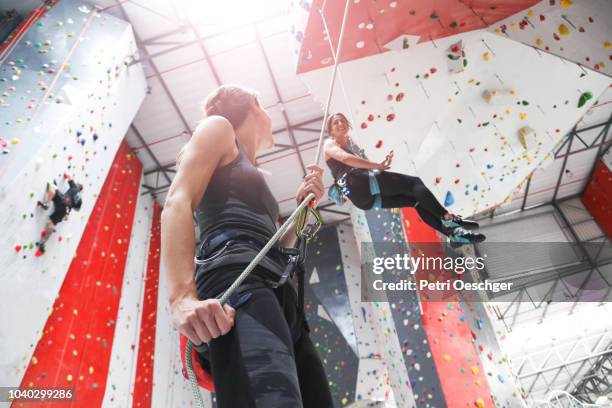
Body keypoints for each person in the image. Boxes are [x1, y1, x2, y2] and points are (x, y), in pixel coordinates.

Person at [161, 84, 332, 407]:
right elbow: (178, 200)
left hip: (280, 297)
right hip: (241, 287)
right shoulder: (219, 129)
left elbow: (273, 248)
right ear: (254, 104)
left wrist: (301, 212)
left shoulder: (253, 171)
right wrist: (182, 298)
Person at [323, 113, 485, 246]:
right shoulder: (329, 144)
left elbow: (363, 166)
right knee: (414, 184)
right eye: (335, 122)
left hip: (362, 197)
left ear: (348, 124)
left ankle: (453, 234)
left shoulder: (352, 143)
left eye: (343, 120)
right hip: (356, 183)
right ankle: (448, 219)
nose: (340, 123)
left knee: (415, 201)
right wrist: (377, 166)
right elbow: (345, 159)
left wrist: (380, 164)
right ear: (330, 130)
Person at [36, 177, 83, 254]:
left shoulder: (74, 187)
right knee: (51, 224)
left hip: (61, 199)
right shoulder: (80, 199)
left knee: (52, 188)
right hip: (64, 210)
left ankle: (47, 204)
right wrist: (72, 205)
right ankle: (43, 243)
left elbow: (68, 175)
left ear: (78, 186)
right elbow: (77, 210)